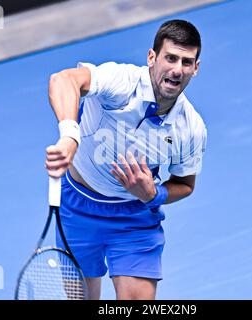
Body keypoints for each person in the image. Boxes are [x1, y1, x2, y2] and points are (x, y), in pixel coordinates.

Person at [45, 19, 207, 300]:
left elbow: (185, 184)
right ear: (152, 58)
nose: (177, 70)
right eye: (170, 58)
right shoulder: (121, 82)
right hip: (78, 209)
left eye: (186, 62)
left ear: (196, 68)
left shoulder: (191, 127)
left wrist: (153, 194)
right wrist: (70, 135)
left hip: (135, 218)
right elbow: (63, 80)